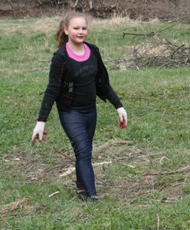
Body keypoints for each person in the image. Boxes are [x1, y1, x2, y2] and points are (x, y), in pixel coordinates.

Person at [31, 11, 127, 202]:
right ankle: (92, 196)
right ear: (66, 30)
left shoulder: (93, 51)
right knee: (83, 151)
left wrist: (118, 106)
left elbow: (102, 83)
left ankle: (82, 188)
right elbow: (52, 89)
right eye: (76, 28)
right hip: (70, 112)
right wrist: (41, 121)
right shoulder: (61, 57)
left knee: (84, 150)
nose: (81, 32)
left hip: (90, 110)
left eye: (84, 28)